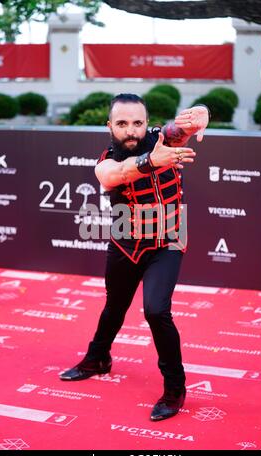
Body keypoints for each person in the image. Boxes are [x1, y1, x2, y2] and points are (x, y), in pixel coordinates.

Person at [60, 94, 209, 421]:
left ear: (146, 123)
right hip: (126, 242)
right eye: (122, 123)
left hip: (168, 240)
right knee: (114, 305)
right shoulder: (106, 161)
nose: (131, 131)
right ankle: (98, 358)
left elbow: (181, 126)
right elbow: (114, 175)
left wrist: (200, 116)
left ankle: (175, 387)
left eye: (137, 123)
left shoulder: (164, 140)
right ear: (109, 126)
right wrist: (151, 162)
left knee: (156, 310)